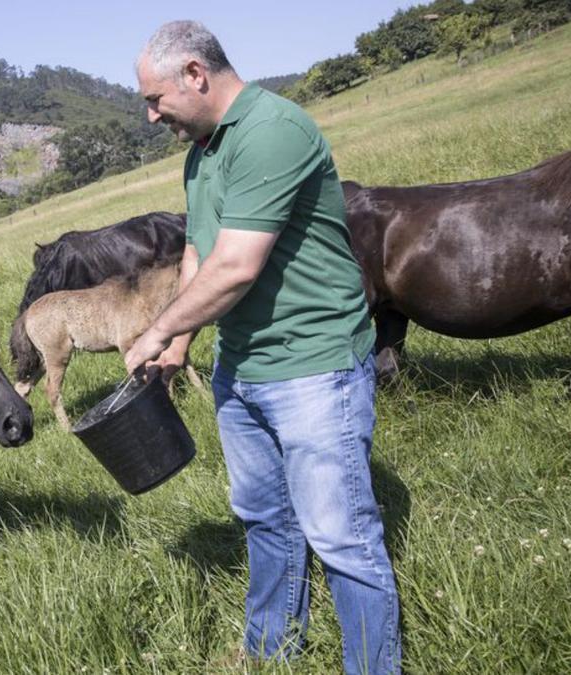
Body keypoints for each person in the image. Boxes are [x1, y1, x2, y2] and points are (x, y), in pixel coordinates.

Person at [123, 21, 402, 674]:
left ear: (195, 73)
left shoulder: (273, 129)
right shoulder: (201, 154)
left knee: (341, 536)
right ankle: (272, 649)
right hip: (242, 368)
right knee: (265, 518)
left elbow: (238, 266)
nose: (150, 112)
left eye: (154, 97)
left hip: (314, 366)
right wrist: (184, 337)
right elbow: (200, 252)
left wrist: (157, 328)